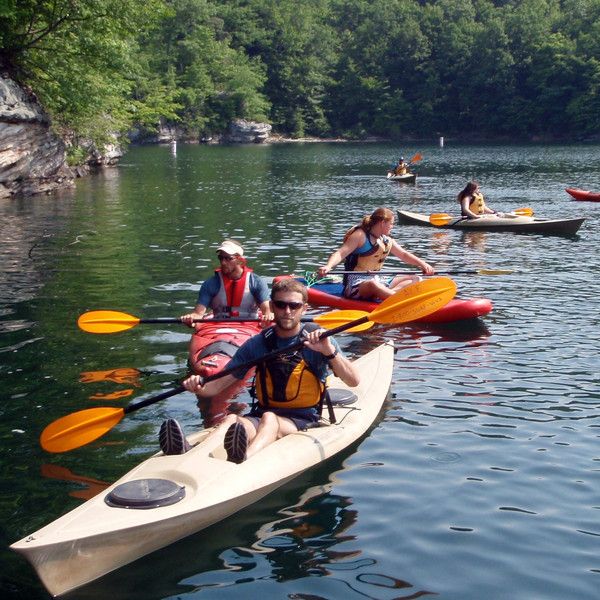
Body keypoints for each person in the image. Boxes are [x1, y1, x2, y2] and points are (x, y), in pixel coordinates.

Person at [161, 278, 360, 461]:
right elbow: (217, 386)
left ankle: (245, 458)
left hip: (304, 419)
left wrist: (329, 352)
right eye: (281, 305)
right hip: (262, 413)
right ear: (272, 307)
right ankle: (190, 454)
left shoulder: (318, 339)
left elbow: (353, 381)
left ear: (304, 309)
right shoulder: (259, 343)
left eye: (294, 306)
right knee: (232, 419)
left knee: (270, 419)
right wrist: (197, 386)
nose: (287, 311)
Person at [317, 207, 435, 301]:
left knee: (416, 278)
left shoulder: (386, 240)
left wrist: (423, 264)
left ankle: (389, 295)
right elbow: (340, 253)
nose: (392, 227)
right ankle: (398, 299)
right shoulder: (360, 236)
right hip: (356, 283)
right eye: (391, 224)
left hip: (377, 279)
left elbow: (404, 255)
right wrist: (328, 266)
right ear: (383, 223)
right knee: (373, 284)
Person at [180, 239, 273, 328]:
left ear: (240, 260)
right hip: (218, 327)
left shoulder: (256, 282)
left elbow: (267, 311)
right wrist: (191, 319)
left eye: (228, 258)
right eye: (220, 258)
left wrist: (268, 316)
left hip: (250, 326)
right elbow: (198, 314)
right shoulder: (210, 284)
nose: (223, 262)